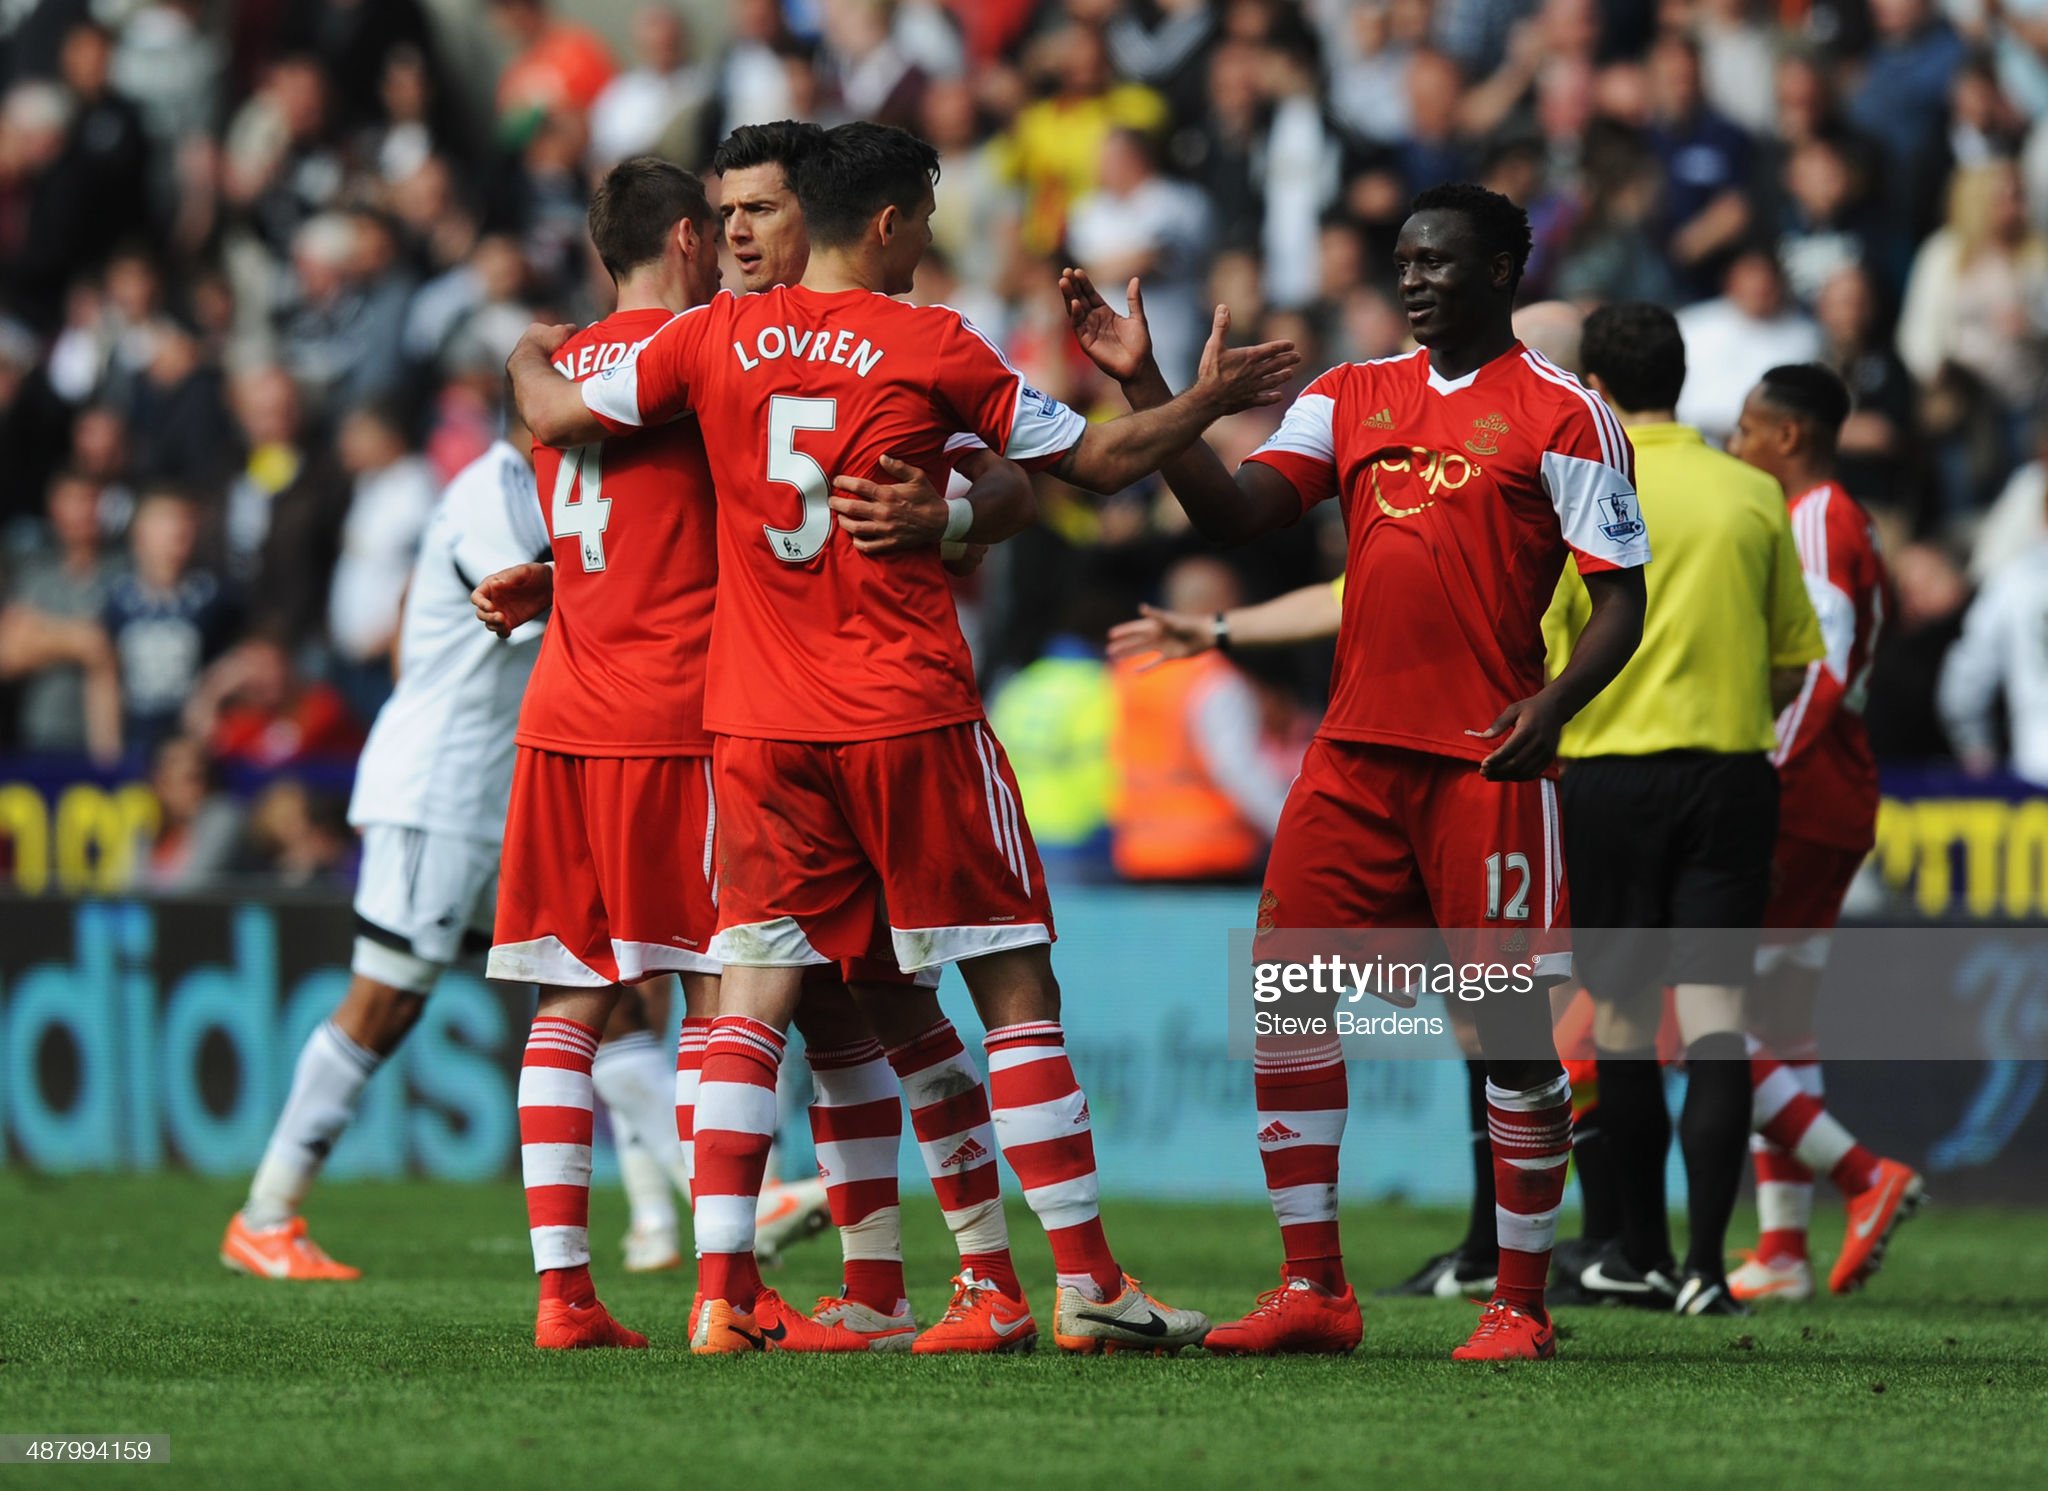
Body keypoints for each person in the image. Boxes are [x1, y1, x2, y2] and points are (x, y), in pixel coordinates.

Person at [508, 120, 1298, 1357]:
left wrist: (521, 363)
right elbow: (1090, 462)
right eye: (925, 220)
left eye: (755, 213)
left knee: (761, 1000)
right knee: (1012, 989)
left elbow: (559, 414)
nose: (736, 235)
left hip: (758, 732)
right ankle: (1076, 1279)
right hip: (901, 709)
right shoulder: (925, 340)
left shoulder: (702, 340)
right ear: (886, 221)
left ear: (798, 212)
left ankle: (735, 1294)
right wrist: (1198, 397)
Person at [481, 135, 1068, 1355]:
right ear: (689, 237)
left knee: (582, 1001)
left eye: (762, 209)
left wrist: (552, 561)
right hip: (732, 721)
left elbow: (594, 476)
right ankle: (795, 1282)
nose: (741, 233)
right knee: (820, 1005)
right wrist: (965, 506)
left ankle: (591, 1291)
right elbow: (1015, 480)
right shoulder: (722, 354)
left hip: (579, 720)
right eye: (727, 213)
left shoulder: (638, 362)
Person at [1061, 182, 1651, 1360]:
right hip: (1352, 755)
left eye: (1437, 260)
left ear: (1498, 271)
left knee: (1509, 1036)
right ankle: (1314, 1289)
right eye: (1402, 261)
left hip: (1483, 763)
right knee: (1285, 998)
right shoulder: (1349, 395)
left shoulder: (1563, 415)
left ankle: (1518, 1307)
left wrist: (1553, 702)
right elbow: (1231, 517)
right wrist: (1148, 389)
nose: (1413, 278)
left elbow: (1620, 600)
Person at [217, 405, 726, 1290]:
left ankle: (669, 1212)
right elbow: (547, 602)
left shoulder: (555, 491)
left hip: (504, 794)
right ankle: (264, 1214)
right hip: (439, 794)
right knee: (388, 998)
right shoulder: (493, 492)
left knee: (604, 984)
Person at [1543, 304, 1823, 1318]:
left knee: (1618, 1024)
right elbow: (1794, 661)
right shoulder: (1751, 493)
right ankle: (1710, 1266)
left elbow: (1550, 653)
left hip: (1607, 776)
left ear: (1596, 387)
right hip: (1725, 775)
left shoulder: (1583, 488)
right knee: (1712, 1023)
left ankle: (1640, 1253)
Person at [1724, 362, 1925, 1302]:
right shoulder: (1850, 518)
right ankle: (1784, 1252)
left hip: (1797, 796)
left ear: (1788, 436)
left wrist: (1760, 779)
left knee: (1696, 1013)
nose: (1735, 447)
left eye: (1744, 431)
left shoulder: (1812, 519)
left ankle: (1862, 1174)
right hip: (1838, 792)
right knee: (1779, 1024)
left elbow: (1821, 667)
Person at [1108, 556, 1290, 883]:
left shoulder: (1129, 674)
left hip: (1140, 856)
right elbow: (1237, 769)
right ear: (1215, 606)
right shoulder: (1214, 679)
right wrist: (1293, 831)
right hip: (1214, 862)